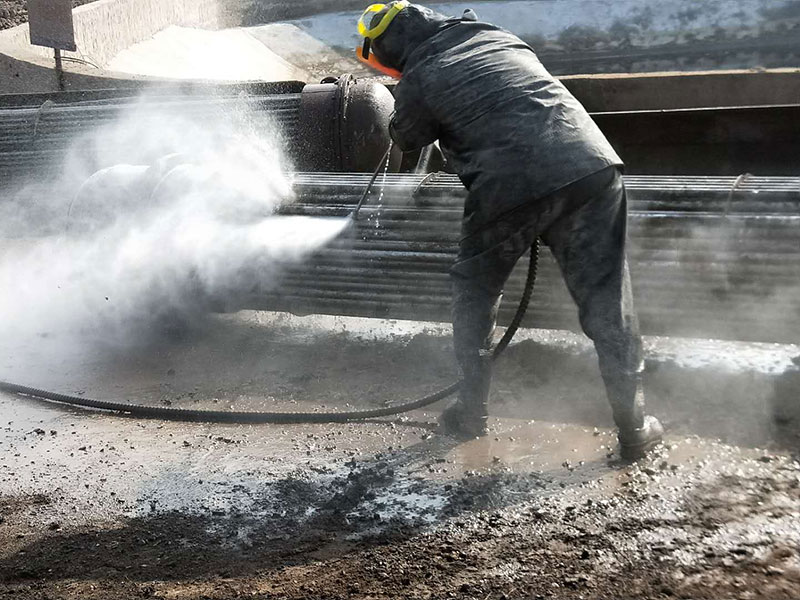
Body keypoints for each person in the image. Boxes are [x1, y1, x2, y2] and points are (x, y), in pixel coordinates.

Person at [356, 2, 664, 459]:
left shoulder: (420, 76)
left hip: (509, 185)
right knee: (608, 300)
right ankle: (634, 428)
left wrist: (405, 99)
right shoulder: (492, 34)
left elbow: (406, 137)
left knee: (476, 291)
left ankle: (471, 413)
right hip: (590, 166)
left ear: (388, 49)